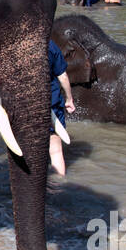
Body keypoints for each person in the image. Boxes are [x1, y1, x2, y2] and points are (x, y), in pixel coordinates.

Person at [47, 40, 76, 176]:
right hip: (51, 102)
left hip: (24, 103)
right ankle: (57, 188)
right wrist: (69, 99)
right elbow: (63, 76)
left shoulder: (15, 44)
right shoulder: (51, 45)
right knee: (56, 150)